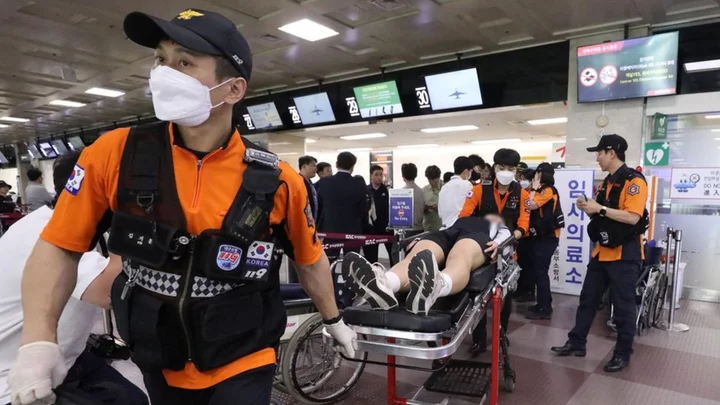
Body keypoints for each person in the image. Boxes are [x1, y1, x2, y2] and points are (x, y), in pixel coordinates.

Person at [12, 9, 356, 405]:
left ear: (233, 89)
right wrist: (38, 339)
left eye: (184, 62)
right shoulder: (114, 154)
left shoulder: (278, 180)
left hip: (244, 353)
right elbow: (60, 244)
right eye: (161, 59)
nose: (163, 73)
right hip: (159, 356)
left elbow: (310, 259)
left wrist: (334, 319)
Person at [4, 152, 148, 405]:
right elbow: (111, 293)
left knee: (133, 399)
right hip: (19, 378)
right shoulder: (46, 233)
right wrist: (125, 228)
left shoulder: (59, 221)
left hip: (68, 358)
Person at [552, 134, 648, 373]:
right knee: (587, 300)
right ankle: (576, 343)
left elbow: (633, 216)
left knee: (624, 307)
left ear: (611, 153)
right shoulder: (608, 183)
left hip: (625, 256)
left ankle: (622, 354)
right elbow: (602, 216)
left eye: (599, 153)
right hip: (602, 253)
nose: (597, 157)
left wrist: (600, 208)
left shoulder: (634, 181)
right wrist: (590, 209)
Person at [342, 214, 510, 315]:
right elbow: (443, 228)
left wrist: (498, 244)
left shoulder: (499, 224)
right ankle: (384, 283)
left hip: (478, 236)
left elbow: (506, 238)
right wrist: (419, 239)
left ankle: (436, 285)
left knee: (460, 257)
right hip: (448, 232)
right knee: (418, 255)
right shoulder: (460, 215)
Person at [461, 148, 530, 354]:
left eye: (510, 168)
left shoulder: (522, 194)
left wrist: (506, 240)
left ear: (516, 170)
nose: (506, 172)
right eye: (502, 167)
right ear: (494, 167)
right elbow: (464, 215)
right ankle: (479, 340)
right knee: (478, 299)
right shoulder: (479, 190)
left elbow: (524, 225)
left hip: (508, 253)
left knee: (505, 299)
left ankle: (501, 335)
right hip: (481, 252)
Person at [524, 163, 564, 320]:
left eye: (537, 174)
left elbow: (530, 205)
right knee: (538, 270)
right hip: (541, 236)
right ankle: (542, 303)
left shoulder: (548, 190)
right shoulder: (541, 190)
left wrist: (533, 189)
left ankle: (545, 308)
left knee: (541, 271)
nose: (534, 177)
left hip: (549, 237)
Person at [316, 152, 369, 258]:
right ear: (352, 167)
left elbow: (319, 207)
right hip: (353, 231)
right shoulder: (359, 184)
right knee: (352, 264)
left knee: (330, 264)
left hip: (330, 230)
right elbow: (363, 210)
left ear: (336, 164)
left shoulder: (324, 183)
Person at [365, 165, 395, 266]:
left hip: (387, 228)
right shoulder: (366, 190)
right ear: (371, 176)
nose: (379, 177)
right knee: (372, 258)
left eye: (381, 175)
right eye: (376, 174)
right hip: (372, 229)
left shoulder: (387, 190)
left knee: (393, 255)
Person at [514, 169, 536, 303]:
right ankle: (521, 289)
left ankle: (529, 291)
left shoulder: (533, 194)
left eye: (524, 178)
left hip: (529, 234)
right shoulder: (521, 193)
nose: (521, 181)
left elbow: (531, 206)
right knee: (521, 263)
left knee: (529, 265)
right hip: (519, 234)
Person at [438, 156, 474, 230]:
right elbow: (472, 207)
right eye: (471, 172)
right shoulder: (467, 184)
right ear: (467, 171)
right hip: (460, 228)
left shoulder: (444, 187)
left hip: (445, 228)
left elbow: (440, 213)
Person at [401, 163, 425, 237]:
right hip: (419, 230)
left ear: (403, 175)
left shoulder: (400, 193)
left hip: (405, 230)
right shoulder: (421, 191)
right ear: (416, 175)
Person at [298, 155, 319, 220]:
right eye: (313, 166)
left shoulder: (310, 183)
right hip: (302, 221)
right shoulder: (298, 182)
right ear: (304, 167)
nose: (316, 169)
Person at [422, 165, 442, 232]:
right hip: (428, 228)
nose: (435, 183)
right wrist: (424, 208)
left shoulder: (446, 189)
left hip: (443, 227)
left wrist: (440, 208)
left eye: (436, 180)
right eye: (432, 181)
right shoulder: (423, 190)